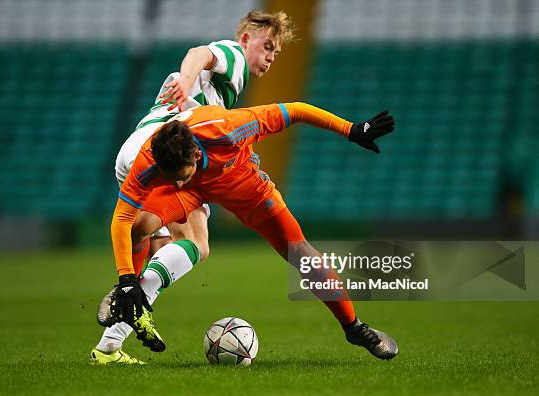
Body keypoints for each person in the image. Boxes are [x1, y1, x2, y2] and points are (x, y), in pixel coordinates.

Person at [91, 101, 398, 365]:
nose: (175, 183)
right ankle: (126, 294)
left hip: (241, 184)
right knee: (137, 228)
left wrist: (351, 130)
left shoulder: (229, 128)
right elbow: (121, 218)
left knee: (301, 253)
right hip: (195, 191)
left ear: (196, 156)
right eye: (169, 177)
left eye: (178, 176)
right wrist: (127, 279)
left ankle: (354, 327)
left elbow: (296, 110)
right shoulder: (153, 159)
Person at [90, 10, 295, 365]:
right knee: (198, 243)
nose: (270, 57)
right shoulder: (234, 58)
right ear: (246, 38)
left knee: (160, 244)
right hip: (167, 155)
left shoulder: (222, 90)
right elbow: (199, 52)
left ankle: (109, 345)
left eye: (276, 53)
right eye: (267, 47)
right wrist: (186, 81)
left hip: (139, 150)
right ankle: (129, 289)